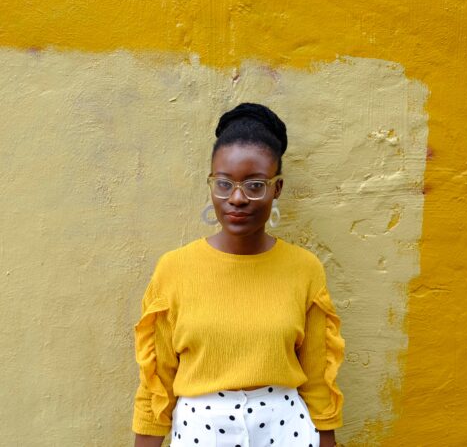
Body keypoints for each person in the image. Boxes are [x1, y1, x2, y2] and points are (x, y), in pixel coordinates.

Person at [132, 103, 344, 447]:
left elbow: (318, 376)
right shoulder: (174, 269)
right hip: (200, 433)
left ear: (277, 188)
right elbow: (156, 380)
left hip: (285, 431)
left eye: (255, 185)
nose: (237, 198)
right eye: (224, 183)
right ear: (211, 184)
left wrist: (328, 437)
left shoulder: (305, 269)